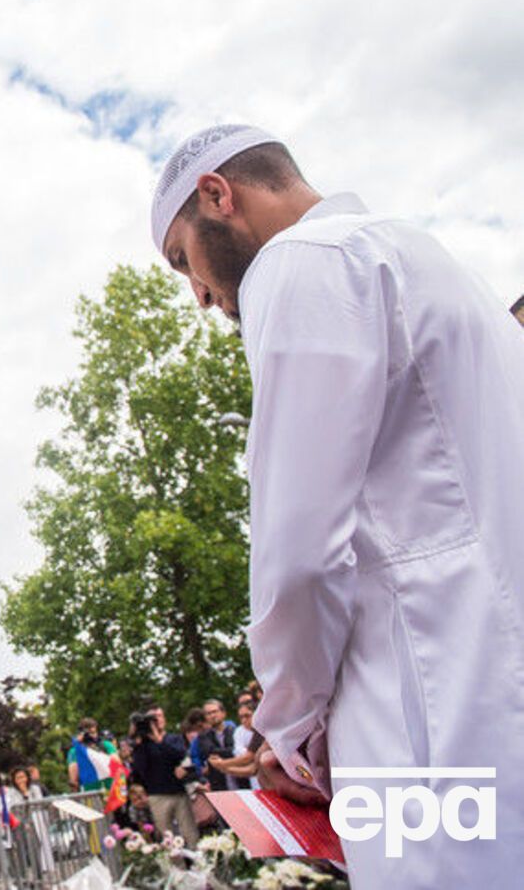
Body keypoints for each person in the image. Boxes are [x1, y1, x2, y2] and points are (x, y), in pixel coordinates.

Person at [150, 123, 524, 886]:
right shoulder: (428, 259)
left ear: (217, 195)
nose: (200, 295)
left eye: (184, 260)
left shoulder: (302, 263)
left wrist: (287, 731)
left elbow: (298, 556)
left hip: (431, 718)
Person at [128, 709, 199, 847]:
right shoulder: (143, 745)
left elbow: (180, 755)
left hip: (179, 792)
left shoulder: (174, 739)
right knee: (166, 835)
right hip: (157, 794)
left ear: (164, 719)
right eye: (152, 719)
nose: (156, 721)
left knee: (189, 832)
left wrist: (159, 740)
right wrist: (137, 741)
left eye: (158, 717)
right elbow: (139, 768)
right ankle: (173, 861)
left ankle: (197, 856)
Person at [196, 699, 237, 792]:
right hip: (219, 786)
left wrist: (232, 752)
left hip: (241, 781)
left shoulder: (235, 732)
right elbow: (209, 751)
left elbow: (238, 752)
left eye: (214, 712)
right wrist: (231, 751)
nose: (212, 715)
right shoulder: (203, 736)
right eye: (208, 713)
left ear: (223, 713)